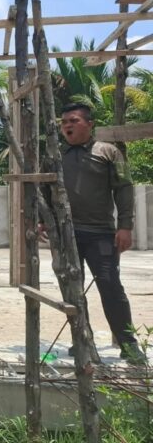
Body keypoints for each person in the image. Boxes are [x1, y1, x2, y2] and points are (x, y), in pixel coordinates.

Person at [59, 103, 145, 364]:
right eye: (63, 123)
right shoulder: (56, 154)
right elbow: (46, 190)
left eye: (73, 121)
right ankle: (82, 340)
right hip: (67, 235)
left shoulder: (108, 152)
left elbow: (123, 188)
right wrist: (42, 221)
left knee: (111, 288)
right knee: (73, 292)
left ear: (89, 124)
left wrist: (126, 226)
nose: (67, 126)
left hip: (101, 235)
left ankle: (129, 346)